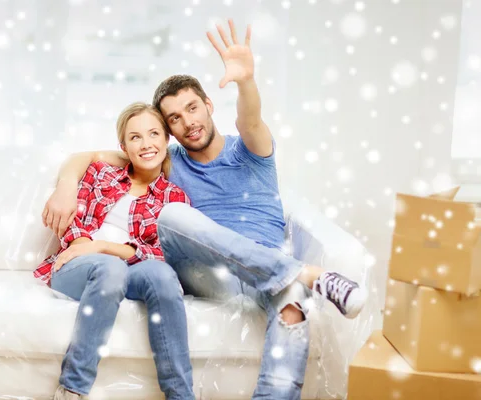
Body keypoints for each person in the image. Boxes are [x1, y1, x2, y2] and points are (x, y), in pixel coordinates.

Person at [43, 20, 367, 400]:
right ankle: (310, 274)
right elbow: (98, 156)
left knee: (293, 301)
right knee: (172, 216)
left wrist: (246, 81)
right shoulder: (167, 159)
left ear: (209, 105)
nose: (188, 122)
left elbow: (250, 119)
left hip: (265, 266)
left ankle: (294, 280)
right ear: (169, 131)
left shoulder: (250, 150)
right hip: (211, 273)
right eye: (175, 119)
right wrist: (66, 185)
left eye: (192, 108)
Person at [35, 102, 195, 400]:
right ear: (123, 146)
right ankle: (72, 389)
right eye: (135, 137)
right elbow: (72, 223)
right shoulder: (101, 175)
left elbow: (161, 253)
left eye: (153, 134)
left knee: (161, 274)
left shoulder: (175, 198)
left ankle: (181, 395)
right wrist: (88, 246)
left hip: (130, 269)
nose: (146, 144)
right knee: (110, 269)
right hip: (79, 264)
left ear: (166, 140)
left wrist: (106, 246)